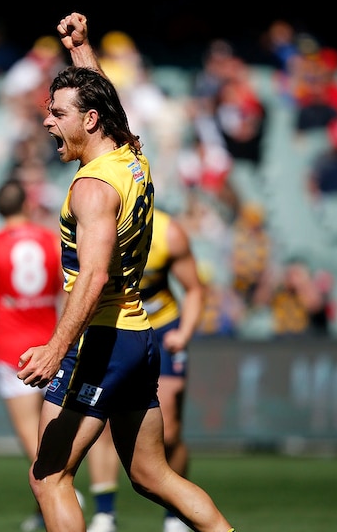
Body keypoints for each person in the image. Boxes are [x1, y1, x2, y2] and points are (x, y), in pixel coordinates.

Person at [16, 12, 235, 532]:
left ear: (88, 121)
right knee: (151, 475)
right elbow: (105, 103)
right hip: (138, 335)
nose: (48, 121)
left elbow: (91, 278)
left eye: (58, 113)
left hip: (102, 340)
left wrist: (55, 347)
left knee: (49, 476)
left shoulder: (91, 187)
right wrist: (82, 51)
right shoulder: (132, 158)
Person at [85, 207, 206, 532]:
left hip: (163, 329)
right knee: (100, 421)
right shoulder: (96, 226)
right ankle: (104, 513)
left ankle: (174, 514)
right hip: (115, 328)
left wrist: (185, 332)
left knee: (169, 428)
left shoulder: (169, 233)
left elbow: (194, 288)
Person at [0, 178, 63, 531]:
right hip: (53, 345)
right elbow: (67, 294)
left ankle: (59, 496)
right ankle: (53, 503)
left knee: (31, 439)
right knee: (57, 429)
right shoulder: (52, 241)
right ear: (27, 204)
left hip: (12, 352)